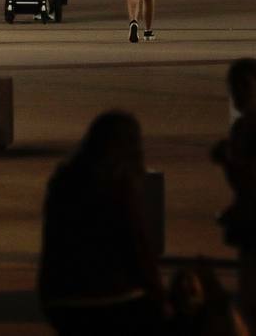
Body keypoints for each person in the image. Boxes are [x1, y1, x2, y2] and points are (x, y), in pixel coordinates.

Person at [38, 111, 164, 335]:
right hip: (113, 295)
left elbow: (52, 242)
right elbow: (135, 243)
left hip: (65, 297)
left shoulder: (64, 181)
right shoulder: (117, 185)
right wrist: (157, 291)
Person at [211, 60, 256, 335]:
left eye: (244, 89)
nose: (238, 97)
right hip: (253, 226)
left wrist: (232, 162)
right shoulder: (241, 129)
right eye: (234, 90)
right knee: (252, 301)